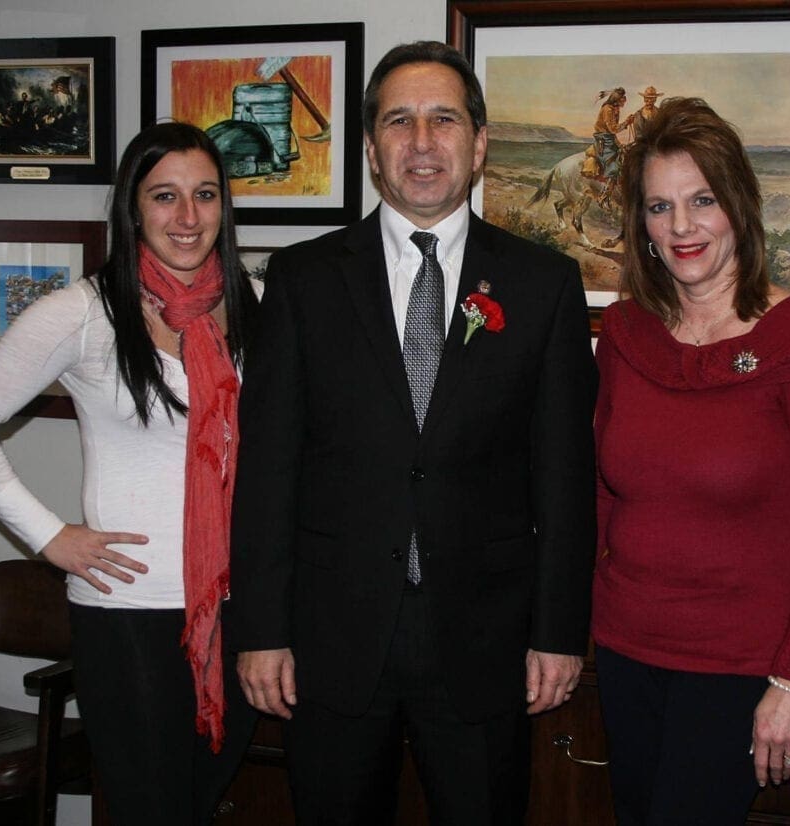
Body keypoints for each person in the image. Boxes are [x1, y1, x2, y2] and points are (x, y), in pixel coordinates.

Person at [227, 40, 598, 826]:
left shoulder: (543, 285)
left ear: (480, 142)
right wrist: (259, 630)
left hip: (486, 643)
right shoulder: (300, 281)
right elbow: (267, 471)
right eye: (399, 121)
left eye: (444, 119)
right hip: (330, 641)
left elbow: (564, 478)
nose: (422, 142)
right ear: (370, 149)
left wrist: (559, 633)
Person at [0, 122, 258, 826]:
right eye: (164, 196)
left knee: (204, 802)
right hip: (128, 614)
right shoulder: (84, 312)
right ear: (132, 208)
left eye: (205, 194)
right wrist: (49, 537)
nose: (188, 217)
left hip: (239, 605)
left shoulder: (255, 305)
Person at [592, 97, 790, 825]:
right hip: (625, 653)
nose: (681, 226)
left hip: (741, 672)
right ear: (641, 225)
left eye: (701, 200)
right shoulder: (624, 335)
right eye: (659, 206)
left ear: (738, 206)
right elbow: (603, 492)